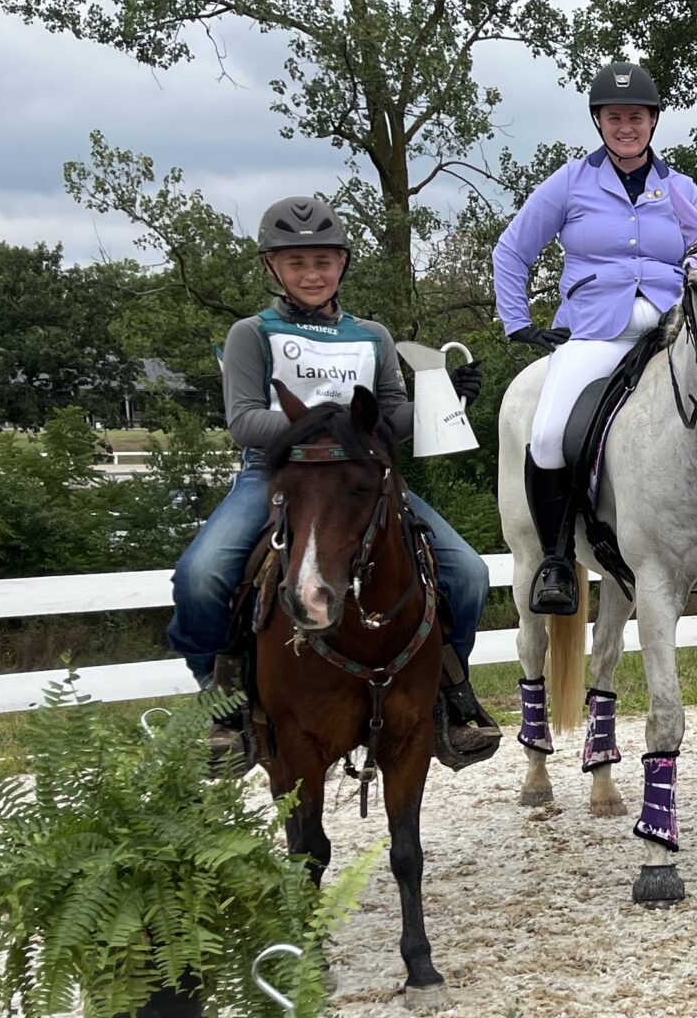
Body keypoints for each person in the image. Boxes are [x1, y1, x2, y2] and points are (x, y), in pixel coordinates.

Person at [167, 195, 502, 767]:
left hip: (362, 480)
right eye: (297, 263)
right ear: (272, 267)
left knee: (468, 574)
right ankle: (220, 697)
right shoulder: (252, 333)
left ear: (342, 264)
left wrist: (440, 399)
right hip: (278, 478)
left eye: (323, 261)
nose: (311, 273)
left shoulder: (372, 335)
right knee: (200, 576)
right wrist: (333, 425)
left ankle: (450, 692)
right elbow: (245, 421)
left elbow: (391, 417)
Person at [491, 61, 697, 616]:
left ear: (652, 122)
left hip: (675, 331)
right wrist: (517, 319)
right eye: (615, 117)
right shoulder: (569, 183)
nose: (627, 126)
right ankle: (554, 561)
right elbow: (512, 250)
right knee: (547, 432)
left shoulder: (680, 188)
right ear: (599, 122)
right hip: (598, 330)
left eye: (637, 117)